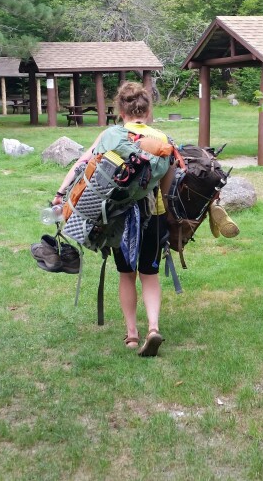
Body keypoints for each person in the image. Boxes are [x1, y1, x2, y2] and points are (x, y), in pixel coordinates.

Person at [54, 81, 171, 357]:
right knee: (150, 274)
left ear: (121, 109)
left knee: (127, 274)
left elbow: (83, 163)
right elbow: (167, 181)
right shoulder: (162, 140)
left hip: (117, 217)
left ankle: (132, 334)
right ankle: (153, 328)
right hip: (153, 215)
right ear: (148, 108)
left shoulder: (112, 134)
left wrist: (61, 194)